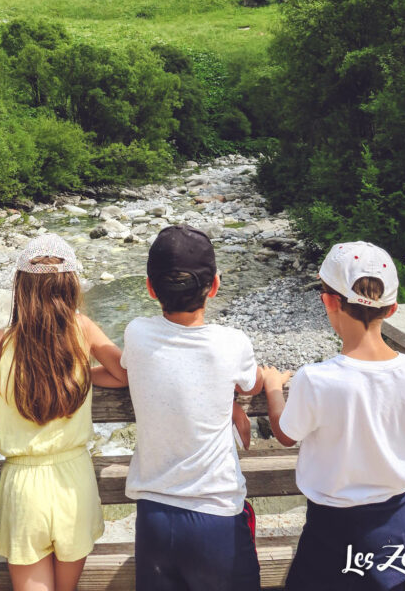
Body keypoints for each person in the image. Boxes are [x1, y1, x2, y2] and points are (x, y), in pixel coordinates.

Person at [262, 240, 405, 590]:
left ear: (328, 300)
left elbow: (286, 434)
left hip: (333, 531)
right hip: (400, 523)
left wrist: (272, 387)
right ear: (391, 309)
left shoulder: (316, 379)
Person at [0, 233, 128, 591]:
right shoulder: (82, 329)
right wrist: (79, 376)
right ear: (70, 284)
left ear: (21, 287)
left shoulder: (1, 340)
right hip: (75, 478)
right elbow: (124, 373)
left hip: (23, 486)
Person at [121, 224, 263, 591]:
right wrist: (236, 400)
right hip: (216, 516)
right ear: (214, 286)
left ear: (151, 288)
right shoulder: (232, 343)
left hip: (153, 516)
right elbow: (252, 383)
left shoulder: (136, 333)